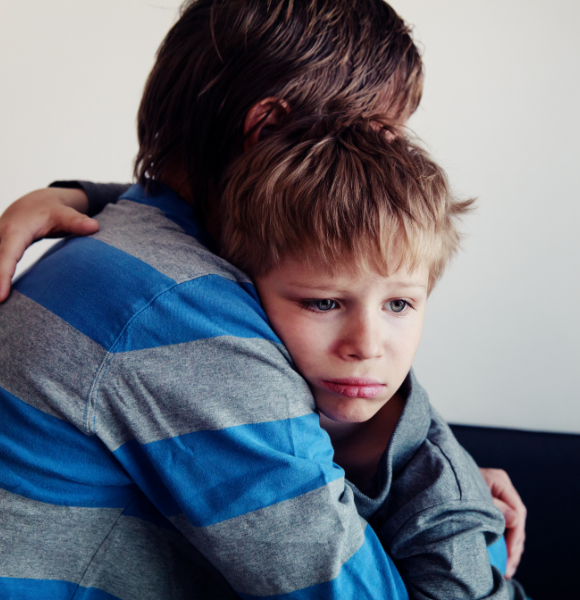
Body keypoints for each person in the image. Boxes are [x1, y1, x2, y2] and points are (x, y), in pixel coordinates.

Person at [0, 0, 525, 595]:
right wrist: (457, 500)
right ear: (268, 130)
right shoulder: (182, 310)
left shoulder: (130, 243)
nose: (385, 172)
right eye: (370, 141)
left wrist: (83, 192)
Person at [217, 116, 527, 599]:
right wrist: (81, 195)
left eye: (399, 304)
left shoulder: (444, 511)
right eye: (324, 302)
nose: (367, 344)